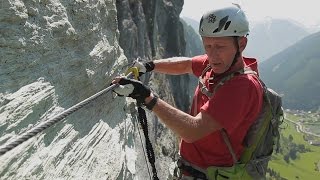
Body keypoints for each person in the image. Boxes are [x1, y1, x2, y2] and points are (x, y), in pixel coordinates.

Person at [112, 3, 264, 179]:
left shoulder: (242, 87)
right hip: (192, 170)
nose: (212, 55)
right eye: (207, 45)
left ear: (241, 44)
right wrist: (149, 65)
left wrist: (147, 97)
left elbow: (192, 131)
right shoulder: (216, 65)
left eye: (220, 47)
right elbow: (186, 64)